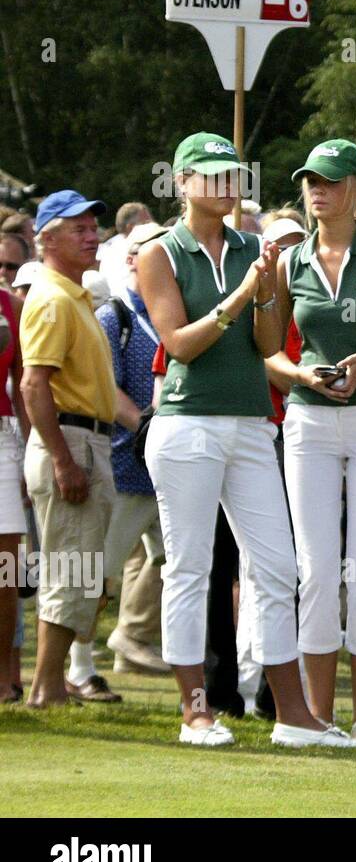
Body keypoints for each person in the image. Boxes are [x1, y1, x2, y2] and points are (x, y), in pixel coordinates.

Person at [138, 132, 356, 750]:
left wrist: (265, 291)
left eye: (231, 173)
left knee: (279, 567)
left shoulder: (253, 248)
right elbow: (180, 343)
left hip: (252, 423)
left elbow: (266, 344)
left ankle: (293, 715)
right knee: (190, 567)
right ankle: (195, 712)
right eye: (208, 174)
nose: (224, 184)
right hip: (187, 425)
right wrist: (244, 292)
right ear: (181, 184)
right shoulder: (160, 252)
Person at [268, 140, 356, 746]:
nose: (317, 191)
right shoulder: (288, 262)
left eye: (329, 181)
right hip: (309, 421)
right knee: (318, 570)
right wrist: (299, 374)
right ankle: (318, 719)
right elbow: (268, 349)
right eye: (310, 182)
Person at [18, 191, 116, 708]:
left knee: (76, 569)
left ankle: (49, 684)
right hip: (71, 440)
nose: (90, 234)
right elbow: (35, 386)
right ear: (47, 239)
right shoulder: (54, 298)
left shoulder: (74, 295)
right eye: (75, 227)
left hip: (85, 439)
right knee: (68, 569)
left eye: (92, 225)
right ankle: (47, 687)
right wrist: (62, 458)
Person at [98, 221, 170, 677]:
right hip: (125, 459)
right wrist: (146, 426)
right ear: (130, 259)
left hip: (163, 464)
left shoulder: (170, 311)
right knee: (101, 566)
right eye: (151, 251)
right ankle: (79, 662)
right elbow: (106, 388)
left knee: (170, 555)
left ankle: (132, 637)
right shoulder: (115, 315)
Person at [0, 242, 28, 701]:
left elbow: (24, 386)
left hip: (4, 435)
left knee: (5, 568)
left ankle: (4, 676)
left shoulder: (14, 307)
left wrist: (33, 450)